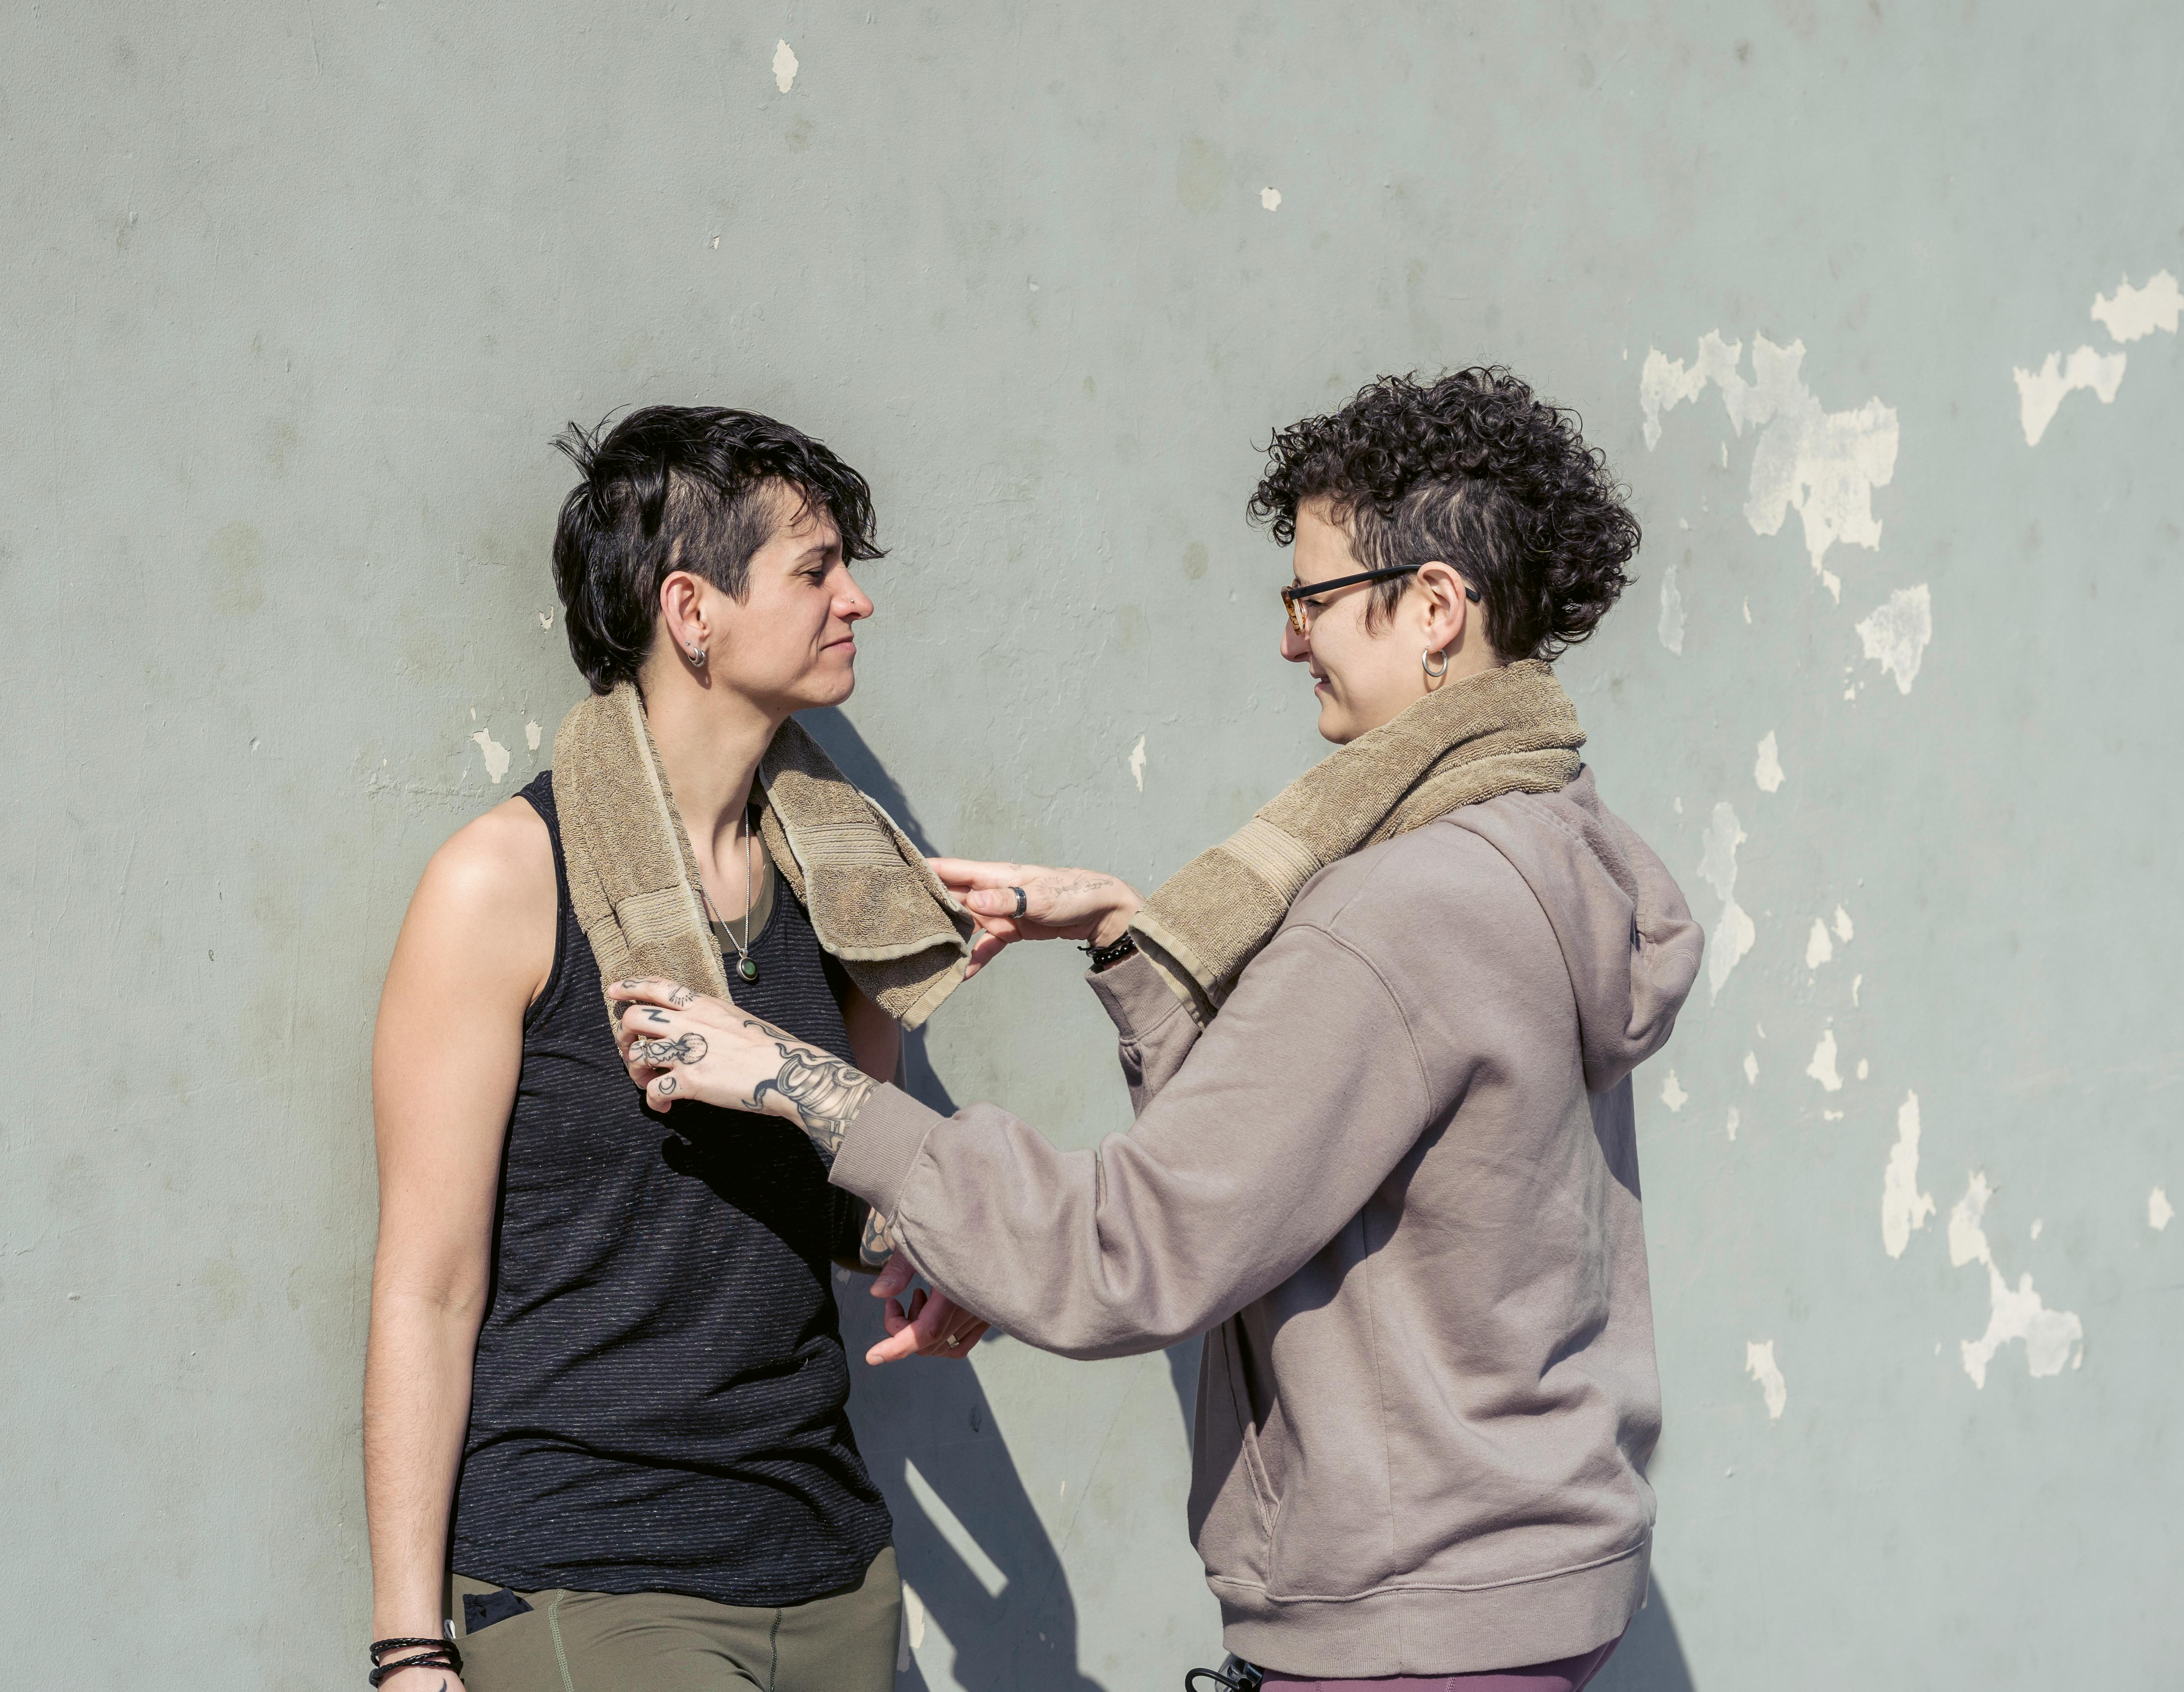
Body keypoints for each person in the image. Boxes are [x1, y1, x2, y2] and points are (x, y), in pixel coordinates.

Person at [610, 368, 1706, 1692]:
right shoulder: (1542, 841)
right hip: (1529, 1589)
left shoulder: (1402, 910)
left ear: (1430, 609)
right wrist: (1131, 934)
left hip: (1411, 1626)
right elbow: (1301, 1161)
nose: (1290, 642)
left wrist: (805, 1085)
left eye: (1310, 600)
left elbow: (1135, 1250)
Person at [362, 404, 988, 1692]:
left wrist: (930, 1250)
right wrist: (407, 1645)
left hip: (828, 1571)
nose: (856, 601)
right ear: (691, 610)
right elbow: (426, 1289)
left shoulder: (842, 883)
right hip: (594, 1583)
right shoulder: (503, 884)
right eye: (816, 570)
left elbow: (847, 1194)